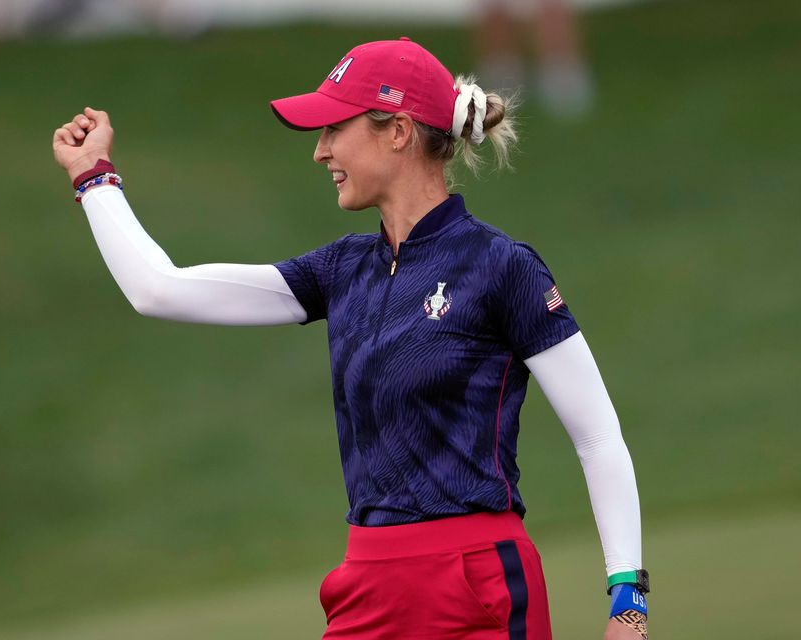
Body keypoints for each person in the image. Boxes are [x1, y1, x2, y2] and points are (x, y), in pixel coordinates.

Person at [52, 37, 649, 640]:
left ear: (397, 131)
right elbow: (159, 290)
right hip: (366, 585)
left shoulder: (501, 266)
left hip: (476, 585)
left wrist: (628, 603)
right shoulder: (341, 270)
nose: (320, 151)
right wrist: (93, 178)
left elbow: (597, 436)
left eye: (335, 128)